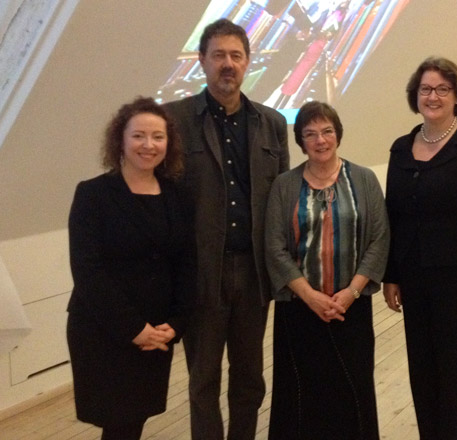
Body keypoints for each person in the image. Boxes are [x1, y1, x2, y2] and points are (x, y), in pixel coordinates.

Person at [163, 19, 289, 440]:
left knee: (250, 379)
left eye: (236, 55)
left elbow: (283, 202)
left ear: (248, 62)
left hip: (254, 273)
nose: (228, 64)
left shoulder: (271, 123)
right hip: (202, 274)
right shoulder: (175, 120)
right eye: (218, 55)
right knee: (203, 381)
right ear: (202, 61)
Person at [383, 57, 457, 439]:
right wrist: (391, 276)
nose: (432, 96)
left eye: (441, 89)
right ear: (415, 96)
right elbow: (394, 218)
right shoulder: (402, 149)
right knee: (424, 374)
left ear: (456, 96)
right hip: (416, 285)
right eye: (425, 89)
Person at [67, 97, 195, 440]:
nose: (149, 145)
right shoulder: (93, 195)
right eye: (139, 136)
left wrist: (176, 324)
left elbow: (186, 264)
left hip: (157, 330)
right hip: (104, 330)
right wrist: (133, 329)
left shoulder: (178, 196)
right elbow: (87, 271)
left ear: (169, 143)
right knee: (118, 420)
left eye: (158, 137)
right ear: (120, 140)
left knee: (134, 419)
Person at [265, 101, 390, 439]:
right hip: (299, 309)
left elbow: (379, 240)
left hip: (351, 307)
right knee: (301, 394)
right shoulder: (285, 185)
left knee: (352, 389)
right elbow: (274, 248)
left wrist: (351, 292)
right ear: (300, 141)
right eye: (310, 134)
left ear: (338, 135)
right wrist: (310, 296)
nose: (320, 140)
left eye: (327, 132)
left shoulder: (363, 179)